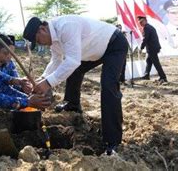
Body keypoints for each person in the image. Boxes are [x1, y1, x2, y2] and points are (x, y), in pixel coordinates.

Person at [23, 15, 128, 156]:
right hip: (90, 51)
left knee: (108, 87)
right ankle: (73, 104)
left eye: (38, 40)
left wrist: (48, 83)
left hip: (113, 44)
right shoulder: (52, 41)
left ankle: (112, 141)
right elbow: (56, 61)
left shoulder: (66, 26)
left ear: (42, 29)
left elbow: (72, 61)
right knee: (73, 70)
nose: (41, 44)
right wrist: (42, 79)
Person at [137, 16, 167, 84]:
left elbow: (146, 38)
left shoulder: (147, 28)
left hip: (152, 48)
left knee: (156, 63)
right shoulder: (150, 27)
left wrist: (142, 47)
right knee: (149, 61)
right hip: (153, 48)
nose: (140, 24)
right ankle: (146, 75)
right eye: (139, 23)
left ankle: (163, 77)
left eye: (141, 22)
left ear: (145, 20)